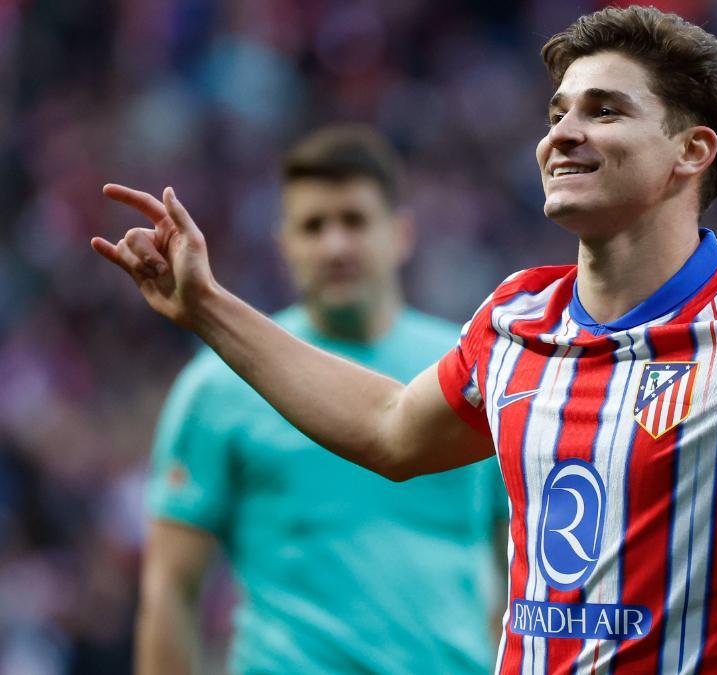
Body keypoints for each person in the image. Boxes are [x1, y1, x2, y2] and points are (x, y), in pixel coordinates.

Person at [95, 6, 717, 672]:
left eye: (604, 111)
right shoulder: (519, 316)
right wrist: (211, 306)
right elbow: (392, 431)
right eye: (557, 111)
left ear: (693, 153)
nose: (562, 132)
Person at [134, 125, 507, 675]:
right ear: (284, 244)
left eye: (354, 221)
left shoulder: (474, 374)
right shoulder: (218, 386)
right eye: (313, 226)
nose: (336, 245)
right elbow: (171, 588)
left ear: (401, 233)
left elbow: (520, 569)